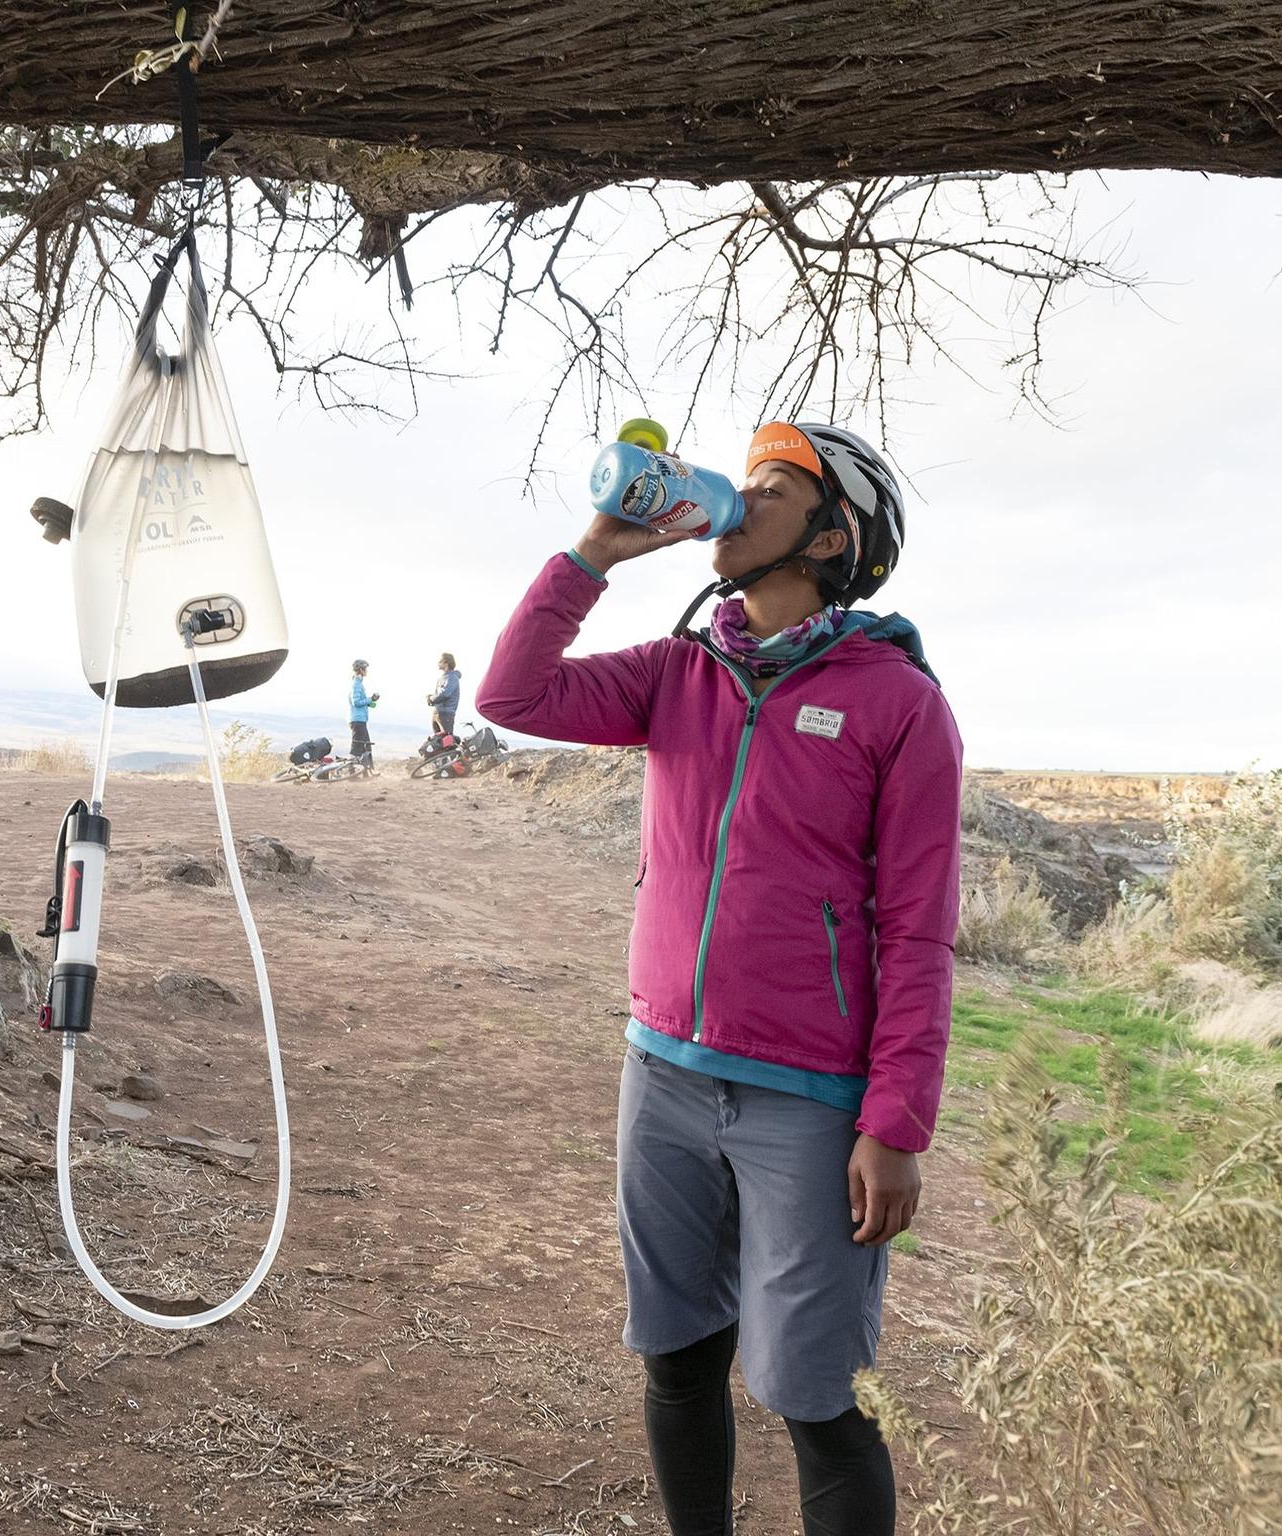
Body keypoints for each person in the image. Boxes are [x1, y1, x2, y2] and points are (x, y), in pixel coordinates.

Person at [477, 421, 961, 1536]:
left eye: (769, 491)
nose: (734, 505)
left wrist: (895, 1122)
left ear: (835, 535)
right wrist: (593, 553)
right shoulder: (675, 673)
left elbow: (919, 930)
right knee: (677, 1357)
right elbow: (514, 697)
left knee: (815, 1398)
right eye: (734, 486)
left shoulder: (898, 703)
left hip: (807, 1099)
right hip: (662, 1074)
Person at [348, 659, 380, 766]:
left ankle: (366, 771)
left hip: (360, 719)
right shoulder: (356, 684)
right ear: (361, 670)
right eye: (365, 669)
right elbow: (356, 702)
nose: (367, 671)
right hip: (357, 720)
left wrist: (371, 701)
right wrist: (370, 699)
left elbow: (359, 700)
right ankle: (352, 771)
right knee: (357, 747)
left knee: (366, 746)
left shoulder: (359, 683)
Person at [427, 653, 461, 739]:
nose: (438, 663)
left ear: (446, 663)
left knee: (446, 742)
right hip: (438, 712)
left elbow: (446, 693)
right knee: (437, 742)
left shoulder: (452, 677)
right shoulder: (443, 677)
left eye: (440, 661)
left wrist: (431, 699)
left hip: (446, 714)